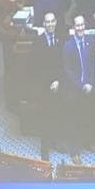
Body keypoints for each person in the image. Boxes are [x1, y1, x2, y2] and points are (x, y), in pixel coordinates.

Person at [62, 14, 95, 164]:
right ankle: (74, 151)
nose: (80, 28)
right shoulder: (68, 45)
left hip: (89, 86)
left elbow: (94, 65)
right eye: (78, 25)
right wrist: (81, 85)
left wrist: (90, 83)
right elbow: (67, 70)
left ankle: (87, 143)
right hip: (74, 89)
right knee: (74, 120)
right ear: (73, 28)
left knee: (88, 116)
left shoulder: (90, 41)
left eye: (82, 25)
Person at [33, 11, 64, 161]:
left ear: (56, 22)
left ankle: (55, 141)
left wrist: (58, 81)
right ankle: (44, 148)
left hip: (57, 85)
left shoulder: (60, 38)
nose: (50, 24)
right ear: (44, 24)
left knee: (57, 114)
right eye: (47, 22)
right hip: (43, 87)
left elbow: (61, 63)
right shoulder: (37, 41)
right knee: (45, 117)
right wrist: (49, 83)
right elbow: (37, 68)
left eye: (52, 21)